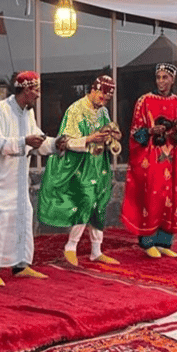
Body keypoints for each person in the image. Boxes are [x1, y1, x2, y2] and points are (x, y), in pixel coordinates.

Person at [0, 71, 67, 286]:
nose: (38, 95)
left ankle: (21, 265)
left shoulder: (28, 113)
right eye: (36, 90)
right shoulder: (0, 109)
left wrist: (55, 144)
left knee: (23, 218)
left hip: (18, 181)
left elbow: (38, 140)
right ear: (26, 90)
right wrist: (22, 141)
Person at [37, 75, 122, 266]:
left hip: (99, 165)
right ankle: (70, 247)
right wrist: (90, 139)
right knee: (85, 202)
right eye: (102, 97)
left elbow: (108, 137)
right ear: (95, 90)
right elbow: (66, 141)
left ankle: (96, 250)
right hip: (79, 165)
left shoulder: (103, 112)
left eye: (107, 99)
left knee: (99, 205)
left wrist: (112, 137)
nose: (104, 102)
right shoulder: (75, 110)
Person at [120, 63, 177, 258]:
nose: (161, 81)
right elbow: (134, 133)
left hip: (171, 157)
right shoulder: (145, 101)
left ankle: (164, 242)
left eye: (165, 77)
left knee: (170, 199)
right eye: (158, 77)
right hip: (151, 157)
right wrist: (150, 131)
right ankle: (147, 241)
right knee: (151, 197)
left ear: (172, 80)